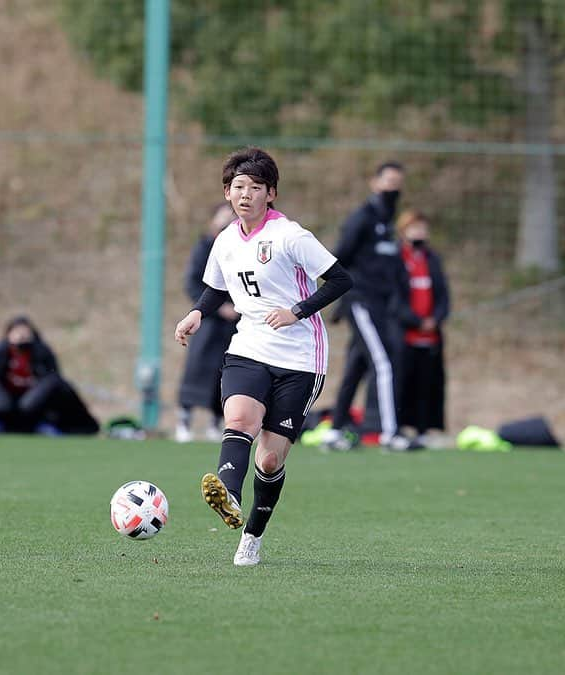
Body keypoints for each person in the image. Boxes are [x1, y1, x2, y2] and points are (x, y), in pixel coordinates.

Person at [174, 147, 352, 566]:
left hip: (301, 358)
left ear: (270, 193)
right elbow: (216, 287)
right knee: (238, 419)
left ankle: (252, 535)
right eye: (238, 187)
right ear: (227, 192)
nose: (245, 195)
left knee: (269, 459)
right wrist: (196, 312)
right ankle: (229, 495)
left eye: (255, 188)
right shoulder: (225, 241)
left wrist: (297, 311)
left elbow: (341, 279)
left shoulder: (291, 236)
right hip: (249, 347)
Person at [322, 161, 411, 451]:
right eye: (388, 182)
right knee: (383, 362)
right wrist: (344, 295)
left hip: (381, 305)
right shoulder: (362, 217)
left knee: (356, 367)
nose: (393, 189)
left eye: (398, 183)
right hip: (362, 301)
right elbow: (338, 258)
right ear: (375, 183)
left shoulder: (388, 222)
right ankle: (390, 433)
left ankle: (334, 431)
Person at [0, 316, 99, 436]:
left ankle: (48, 424)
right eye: (17, 332)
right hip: (7, 406)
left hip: (35, 408)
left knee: (47, 394)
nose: (21, 336)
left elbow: (53, 381)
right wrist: (1, 406)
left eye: (25, 332)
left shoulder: (42, 352)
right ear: (8, 335)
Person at [175, 203, 239, 442]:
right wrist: (216, 308)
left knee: (226, 372)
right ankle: (184, 420)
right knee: (197, 368)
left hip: (235, 323)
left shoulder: (240, 247)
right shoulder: (204, 247)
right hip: (208, 320)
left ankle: (216, 422)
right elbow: (193, 283)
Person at [390, 210, 450, 443]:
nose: (420, 233)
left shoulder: (432, 258)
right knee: (403, 381)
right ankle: (398, 428)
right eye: (415, 228)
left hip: (431, 334)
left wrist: (435, 319)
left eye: (423, 229)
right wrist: (415, 320)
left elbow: (443, 295)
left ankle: (424, 429)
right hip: (405, 334)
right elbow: (394, 296)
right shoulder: (396, 257)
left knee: (428, 383)